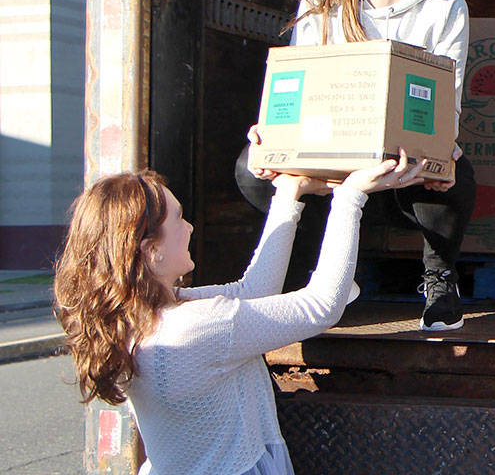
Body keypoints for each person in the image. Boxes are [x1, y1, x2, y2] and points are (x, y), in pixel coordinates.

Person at [52, 156, 425, 475]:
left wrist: (288, 194)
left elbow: (251, 294)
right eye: (179, 219)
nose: (190, 227)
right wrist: (349, 198)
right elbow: (321, 306)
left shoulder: (140, 319)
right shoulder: (194, 327)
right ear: (152, 252)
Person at [235, 0, 476, 331]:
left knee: (457, 174)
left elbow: (448, 99)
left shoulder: (445, 6)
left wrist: (440, 147)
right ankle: (322, 280)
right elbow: (301, 88)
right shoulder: (321, 2)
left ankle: (439, 279)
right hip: (335, 165)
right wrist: (273, 136)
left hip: (402, 168)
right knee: (251, 170)